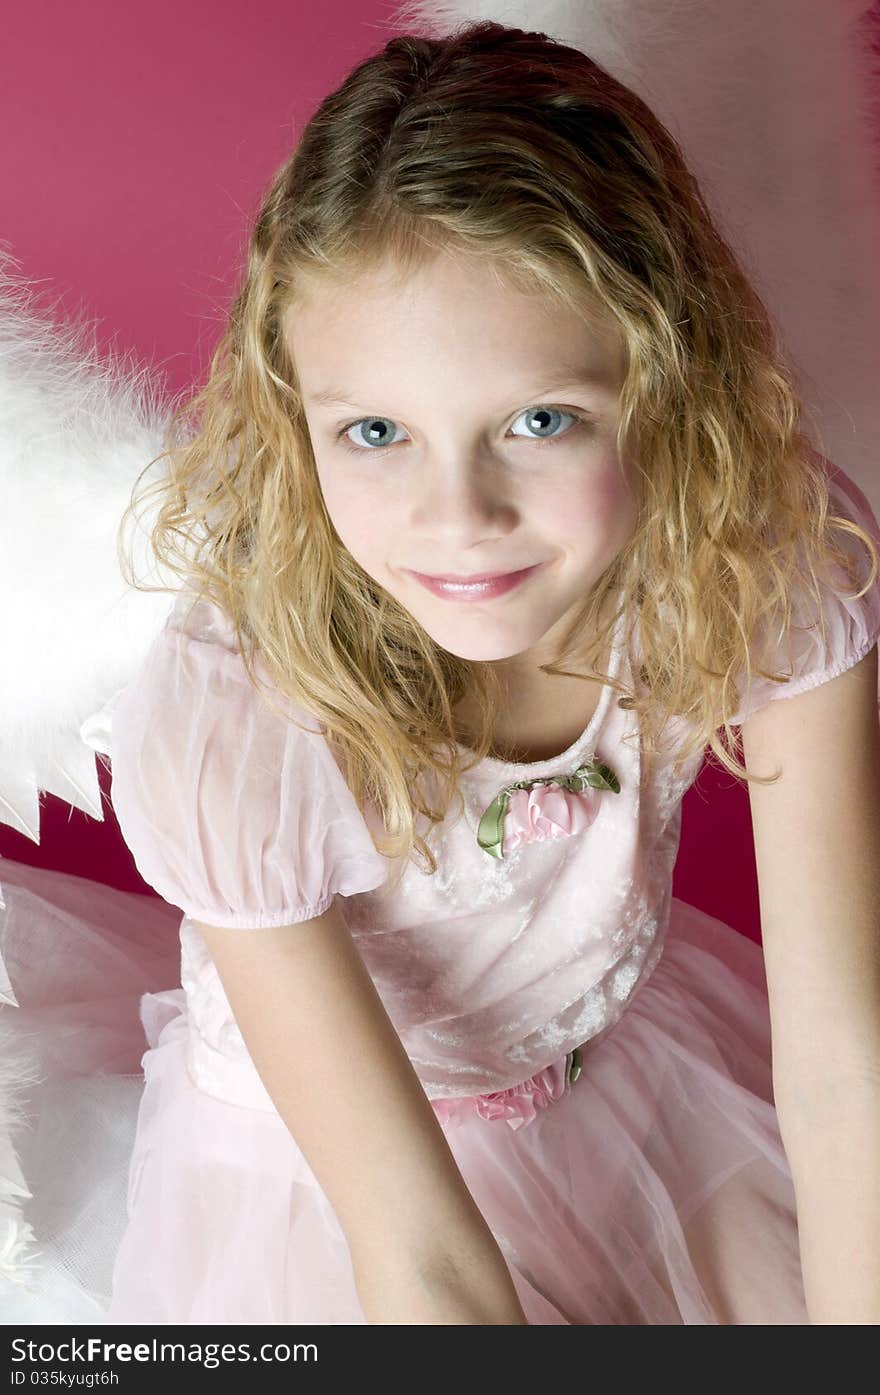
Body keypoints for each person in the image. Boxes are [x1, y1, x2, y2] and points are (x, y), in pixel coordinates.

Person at [2, 19, 880, 1325]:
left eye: (540, 421)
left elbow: (839, 1065)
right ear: (296, 413)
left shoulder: (765, 554)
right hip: (342, 1179)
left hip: (629, 1087)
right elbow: (421, 1257)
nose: (456, 517)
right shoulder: (246, 717)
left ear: (666, 383)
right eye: (375, 433)